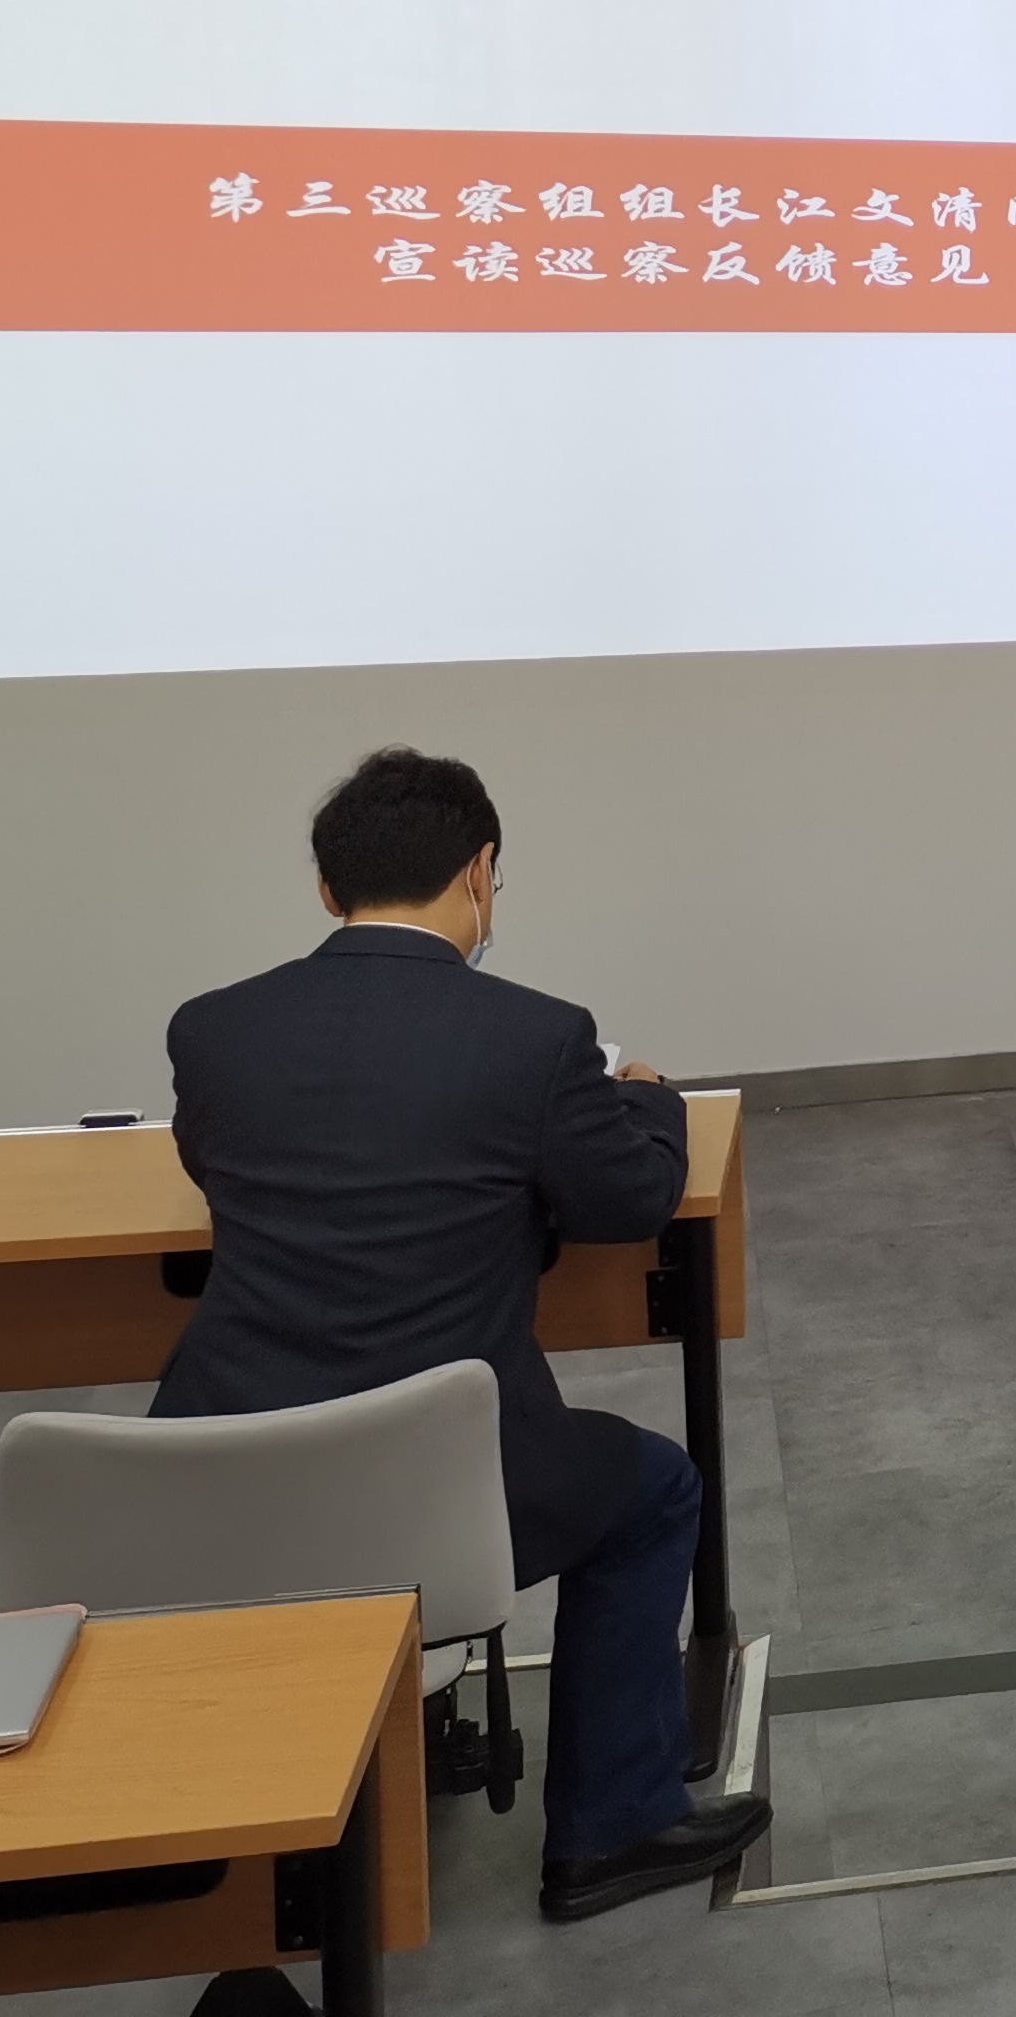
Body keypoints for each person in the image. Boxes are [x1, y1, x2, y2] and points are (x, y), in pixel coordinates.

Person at [155, 748, 772, 1922]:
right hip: (441, 1488)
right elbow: (630, 1200)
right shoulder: (536, 1040)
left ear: (327, 890)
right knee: (655, 1490)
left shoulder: (214, 1031)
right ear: (481, 874)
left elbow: (213, 1165)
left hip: (221, 1483)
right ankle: (613, 1826)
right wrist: (648, 1100)